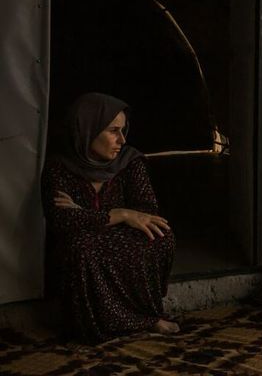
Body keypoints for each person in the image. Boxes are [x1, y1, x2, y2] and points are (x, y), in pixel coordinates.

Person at [41, 92, 178, 343]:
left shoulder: (130, 161)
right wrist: (120, 214)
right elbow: (62, 221)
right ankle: (115, 324)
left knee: (161, 237)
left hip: (111, 235)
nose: (122, 140)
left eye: (123, 130)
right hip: (82, 243)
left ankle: (146, 315)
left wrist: (86, 215)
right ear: (88, 129)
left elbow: (147, 210)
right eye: (113, 131)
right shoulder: (59, 167)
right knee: (81, 248)